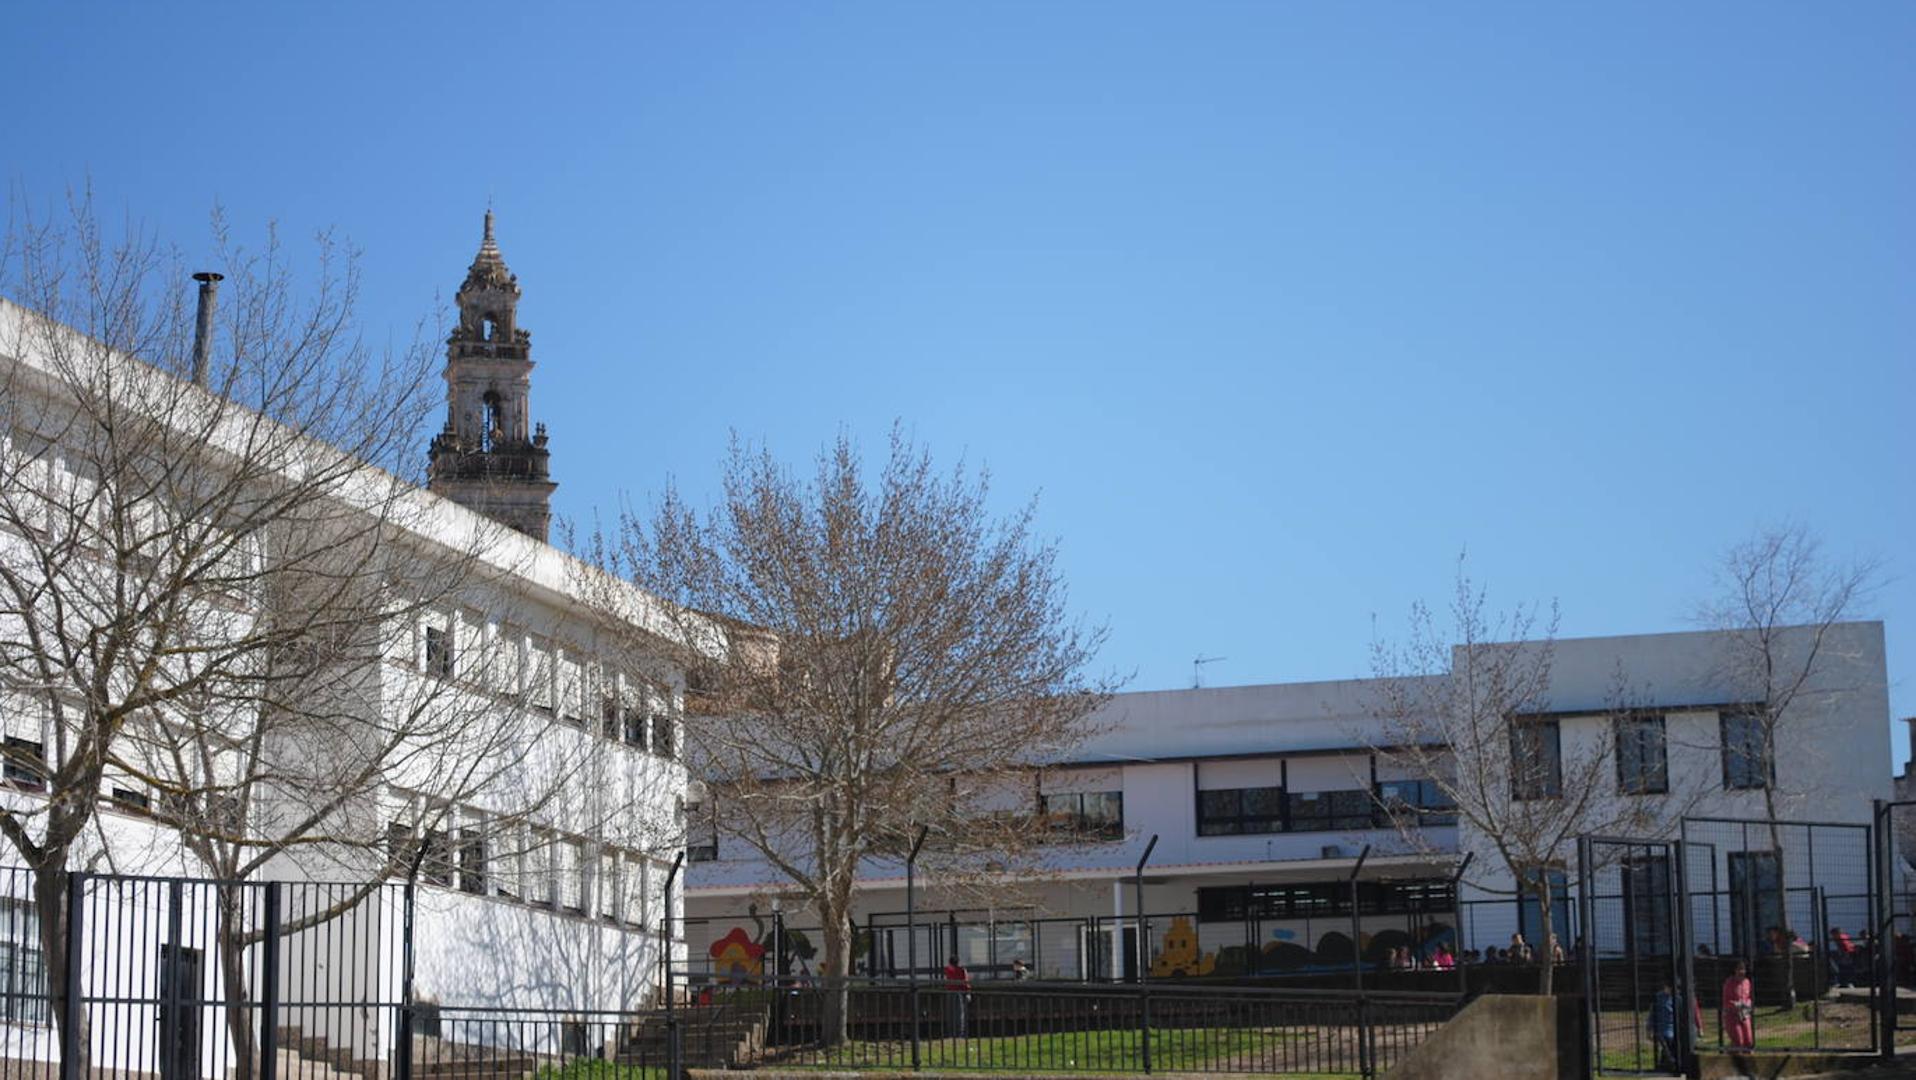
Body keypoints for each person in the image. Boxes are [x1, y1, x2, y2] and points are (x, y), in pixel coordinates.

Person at [1721, 960, 1755, 1052]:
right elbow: (1726, 1001)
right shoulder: (1729, 983)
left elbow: (1749, 997)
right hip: (1732, 1015)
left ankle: (1749, 1062)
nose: (1741, 972)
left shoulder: (1747, 982)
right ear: (1734, 970)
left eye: (1743, 969)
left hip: (1744, 1015)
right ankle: (1725, 1054)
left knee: (1749, 1042)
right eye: (1739, 969)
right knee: (1739, 1042)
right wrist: (1736, 1004)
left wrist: (1748, 1003)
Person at [1649, 981, 1679, 1072]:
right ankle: (1670, 1064)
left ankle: (1663, 1066)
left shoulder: (1677, 998)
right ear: (1665, 987)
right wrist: (1649, 1029)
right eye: (1670, 988)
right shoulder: (1658, 997)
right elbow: (1652, 1014)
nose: (1672, 991)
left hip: (1674, 1028)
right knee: (1666, 1046)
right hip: (1661, 1028)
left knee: (1669, 1048)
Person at [942, 955, 972, 1037]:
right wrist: (968, 992)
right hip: (960, 993)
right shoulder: (961, 970)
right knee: (960, 1014)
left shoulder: (947, 970)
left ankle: (951, 1033)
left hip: (950, 992)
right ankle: (960, 1033)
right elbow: (966, 982)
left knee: (950, 1014)